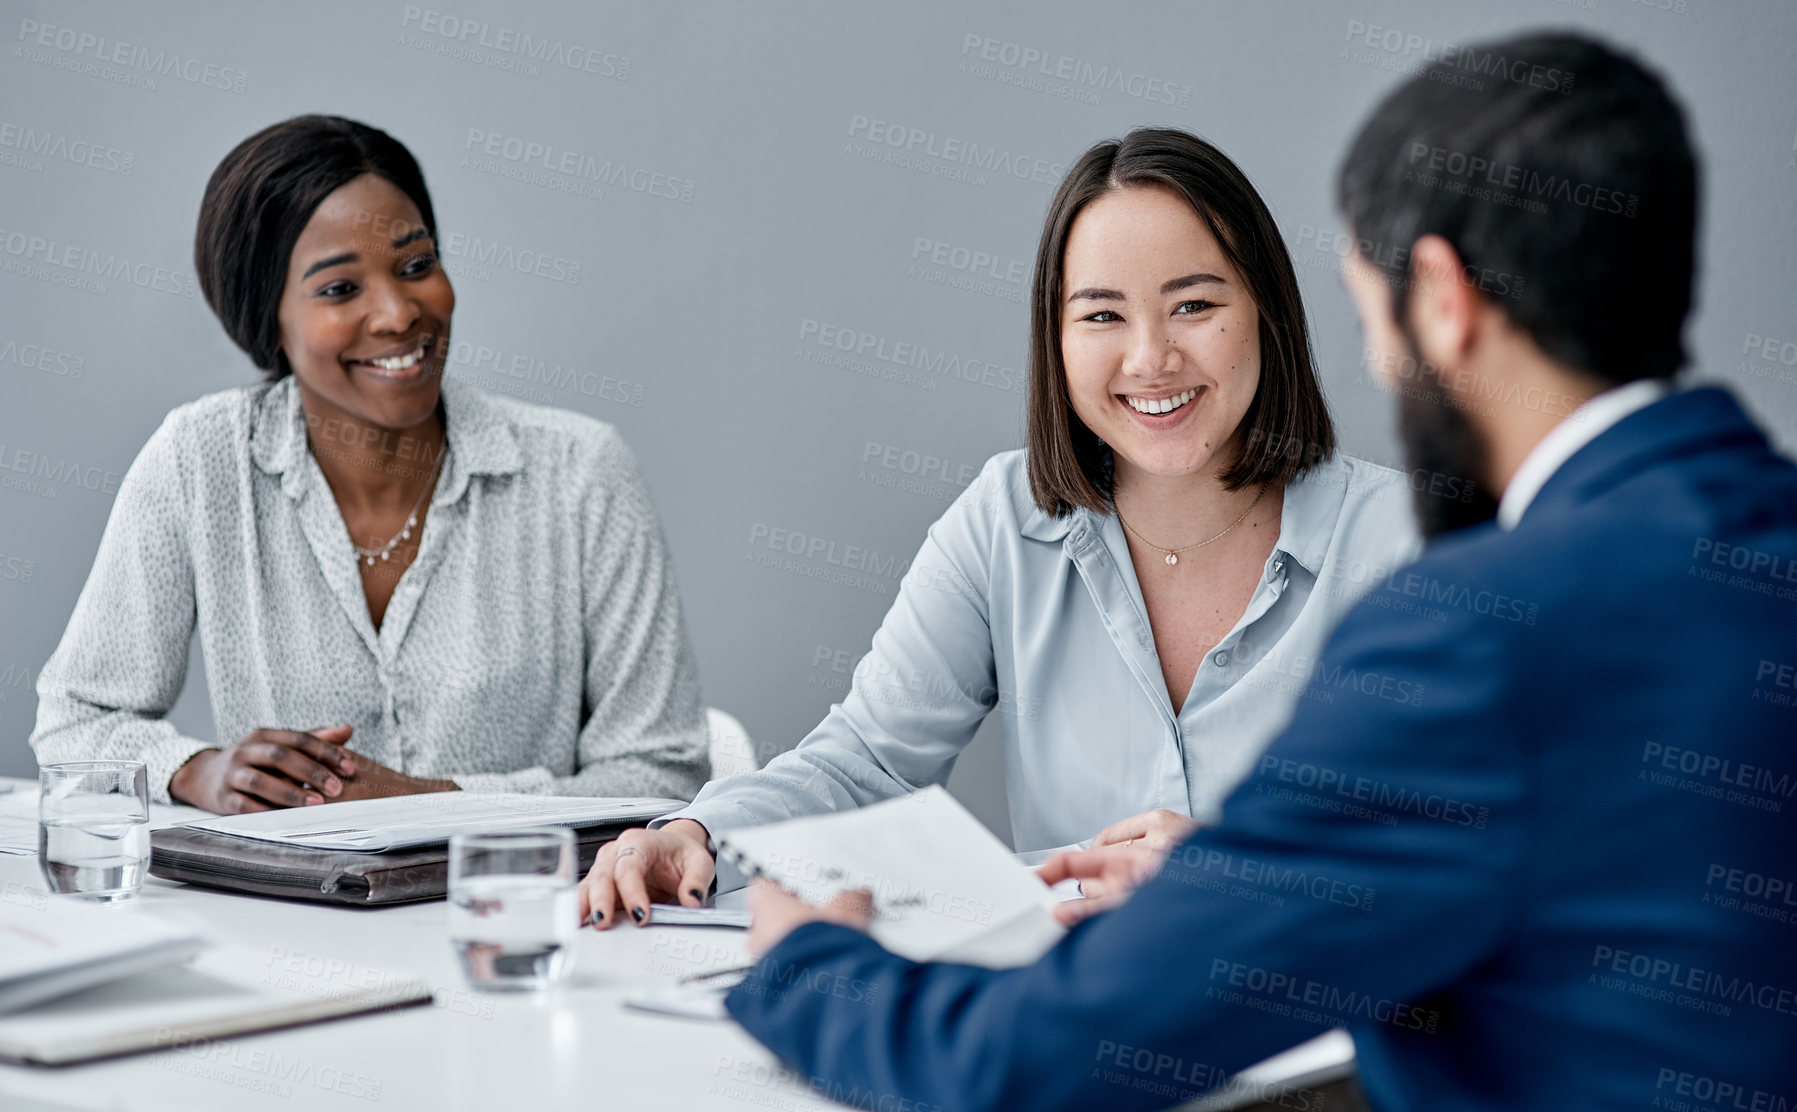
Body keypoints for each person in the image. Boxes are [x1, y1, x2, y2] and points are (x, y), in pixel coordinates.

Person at [723, 32, 1797, 1111]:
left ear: (1440, 298)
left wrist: (810, 969)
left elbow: (1037, 1063)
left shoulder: (1469, 629)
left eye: (1369, 305)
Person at [582, 128, 1423, 927]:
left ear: (1266, 313)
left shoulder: (1404, 543)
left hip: (1336, 1031)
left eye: (1193, 305)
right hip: (1077, 1024)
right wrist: (695, 833)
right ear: (1053, 340)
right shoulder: (1004, 521)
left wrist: (1243, 873)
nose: (1150, 358)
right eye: (1100, 316)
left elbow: (1483, 842)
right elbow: (865, 761)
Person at [30, 116, 709, 813]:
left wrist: (432, 801)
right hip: (281, 917)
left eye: (416, 267)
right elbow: (75, 724)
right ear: (268, 321)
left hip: (510, 909)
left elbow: (660, 775)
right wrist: (194, 770)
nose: (396, 314)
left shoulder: (581, 473)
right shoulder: (199, 463)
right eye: (338, 290)